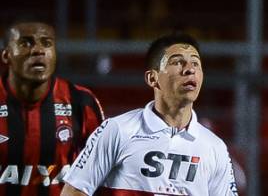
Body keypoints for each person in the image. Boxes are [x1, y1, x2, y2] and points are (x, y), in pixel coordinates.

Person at [60, 33, 238, 196]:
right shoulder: (117, 129)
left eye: (195, 63)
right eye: (177, 62)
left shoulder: (215, 147)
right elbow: (74, 191)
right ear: (152, 78)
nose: (189, 69)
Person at [0, 16, 105, 194]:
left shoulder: (81, 102)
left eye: (46, 43)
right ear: (6, 55)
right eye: (26, 43)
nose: (38, 50)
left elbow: (103, 170)